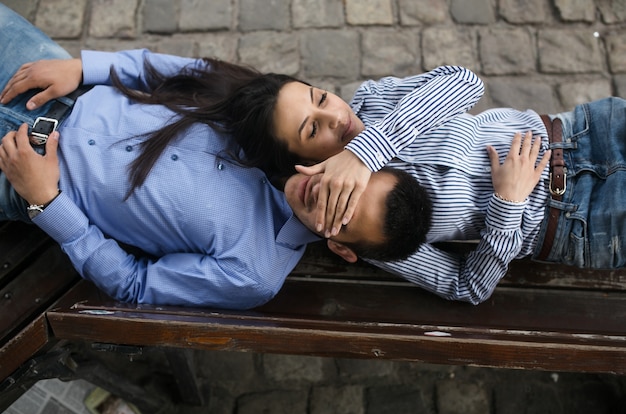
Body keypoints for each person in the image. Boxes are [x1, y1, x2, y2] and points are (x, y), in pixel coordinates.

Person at [0, 4, 430, 309]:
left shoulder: (253, 272)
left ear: (341, 248)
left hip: (20, 176)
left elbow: (133, 283)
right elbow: (187, 75)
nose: (326, 189)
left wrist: (46, 202)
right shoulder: (280, 131)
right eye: (348, 182)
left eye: (343, 210)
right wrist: (83, 68)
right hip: (52, 81)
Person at [205, 64, 626, 305]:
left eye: (319, 97)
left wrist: (364, 152)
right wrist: (506, 206)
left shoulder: (373, 100)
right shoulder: (358, 223)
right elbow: (466, 286)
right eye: (314, 130)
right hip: (580, 223)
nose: (336, 115)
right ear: (301, 161)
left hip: (585, 132)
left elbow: (465, 82)